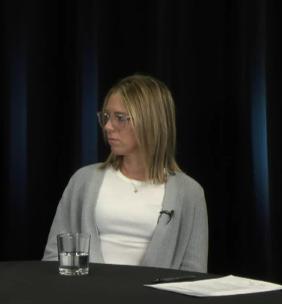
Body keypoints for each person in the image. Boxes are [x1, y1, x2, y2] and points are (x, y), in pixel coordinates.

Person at [43, 74, 208, 272]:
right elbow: (53, 256)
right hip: (87, 291)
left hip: (154, 294)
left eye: (120, 118)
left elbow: (194, 274)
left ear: (150, 122)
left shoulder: (190, 193)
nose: (108, 127)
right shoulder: (83, 181)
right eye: (106, 117)